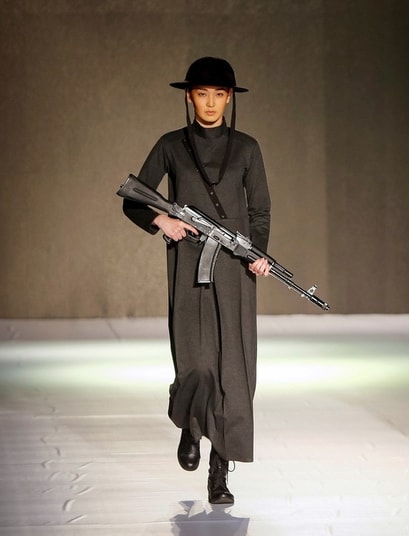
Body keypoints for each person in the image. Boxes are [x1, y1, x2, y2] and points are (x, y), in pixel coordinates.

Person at [122, 57, 271, 505]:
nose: (210, 103)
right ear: (189, 97)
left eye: (219, 95)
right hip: (189, 262)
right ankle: (190, 424)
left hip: (235, 266)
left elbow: (260, 209)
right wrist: (161, 221)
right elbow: (132, 198)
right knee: (194, 359)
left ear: (229, 99)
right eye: (202, 94)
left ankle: (219, 470)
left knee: (234, 369)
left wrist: (258, 253)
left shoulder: (246, 148)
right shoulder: (171, 145)